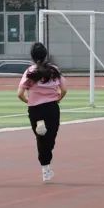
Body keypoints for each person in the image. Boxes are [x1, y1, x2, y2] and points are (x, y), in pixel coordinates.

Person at [17, 42, 67, 184]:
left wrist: (29, 101)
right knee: (50, 138)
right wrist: (58, 99)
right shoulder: (54, 70)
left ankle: (45, 168)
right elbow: (64, 90)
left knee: (41, 138)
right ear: (46, 55)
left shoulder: (29, 72)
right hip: (51, 107)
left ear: (32, 57)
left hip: (35, 109)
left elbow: (19, 94)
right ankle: (46, 167)